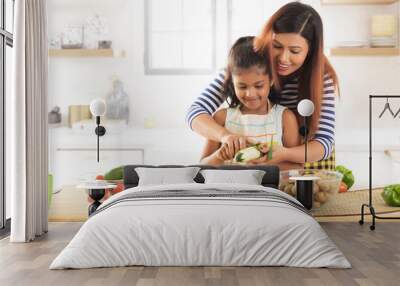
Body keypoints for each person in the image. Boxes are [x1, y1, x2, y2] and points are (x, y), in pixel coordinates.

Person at [187, 2, 338, 170]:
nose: (283, 59)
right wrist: (225, 136)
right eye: (277, 46)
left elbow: (324, 143)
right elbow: (195, 112)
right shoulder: (250, 61)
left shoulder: (320, 77)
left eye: (294, 51)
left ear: (310, 51)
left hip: (300, 159)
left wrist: (284, 154)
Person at [200, 36, 300, 169]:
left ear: (271, 80)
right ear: (233, 83)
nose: (250, 94)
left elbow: (297, 167)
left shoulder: (285, 118)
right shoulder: (221, 118)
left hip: (270, 189)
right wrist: (219, 156)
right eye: (242, 87)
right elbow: (201, 167)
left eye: (258, 86)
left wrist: (266, 163)